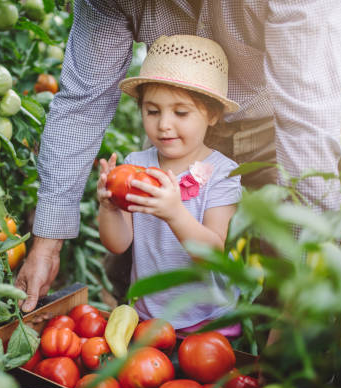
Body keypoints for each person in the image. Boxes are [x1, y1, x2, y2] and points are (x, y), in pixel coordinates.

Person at [15, 0, 341, 312]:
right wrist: (48, 243)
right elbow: (82, 106)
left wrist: (303, 296)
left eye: (172, 112)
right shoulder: (151, 152)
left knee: (281, 269)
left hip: (273, 132)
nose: (162, 123)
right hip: (184, 134)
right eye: (151, 111)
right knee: (130, 265)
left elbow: (307, 129)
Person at [97, 35, 242, 333]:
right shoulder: (136, 164)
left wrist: (175, 213)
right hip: (148, 316)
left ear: (212, 114)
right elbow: (118, 243)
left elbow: (213, 254)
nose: (164, 124)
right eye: (152, 111)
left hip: (208, 321)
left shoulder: (222, 173)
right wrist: (109, 208)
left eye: (180, 112)